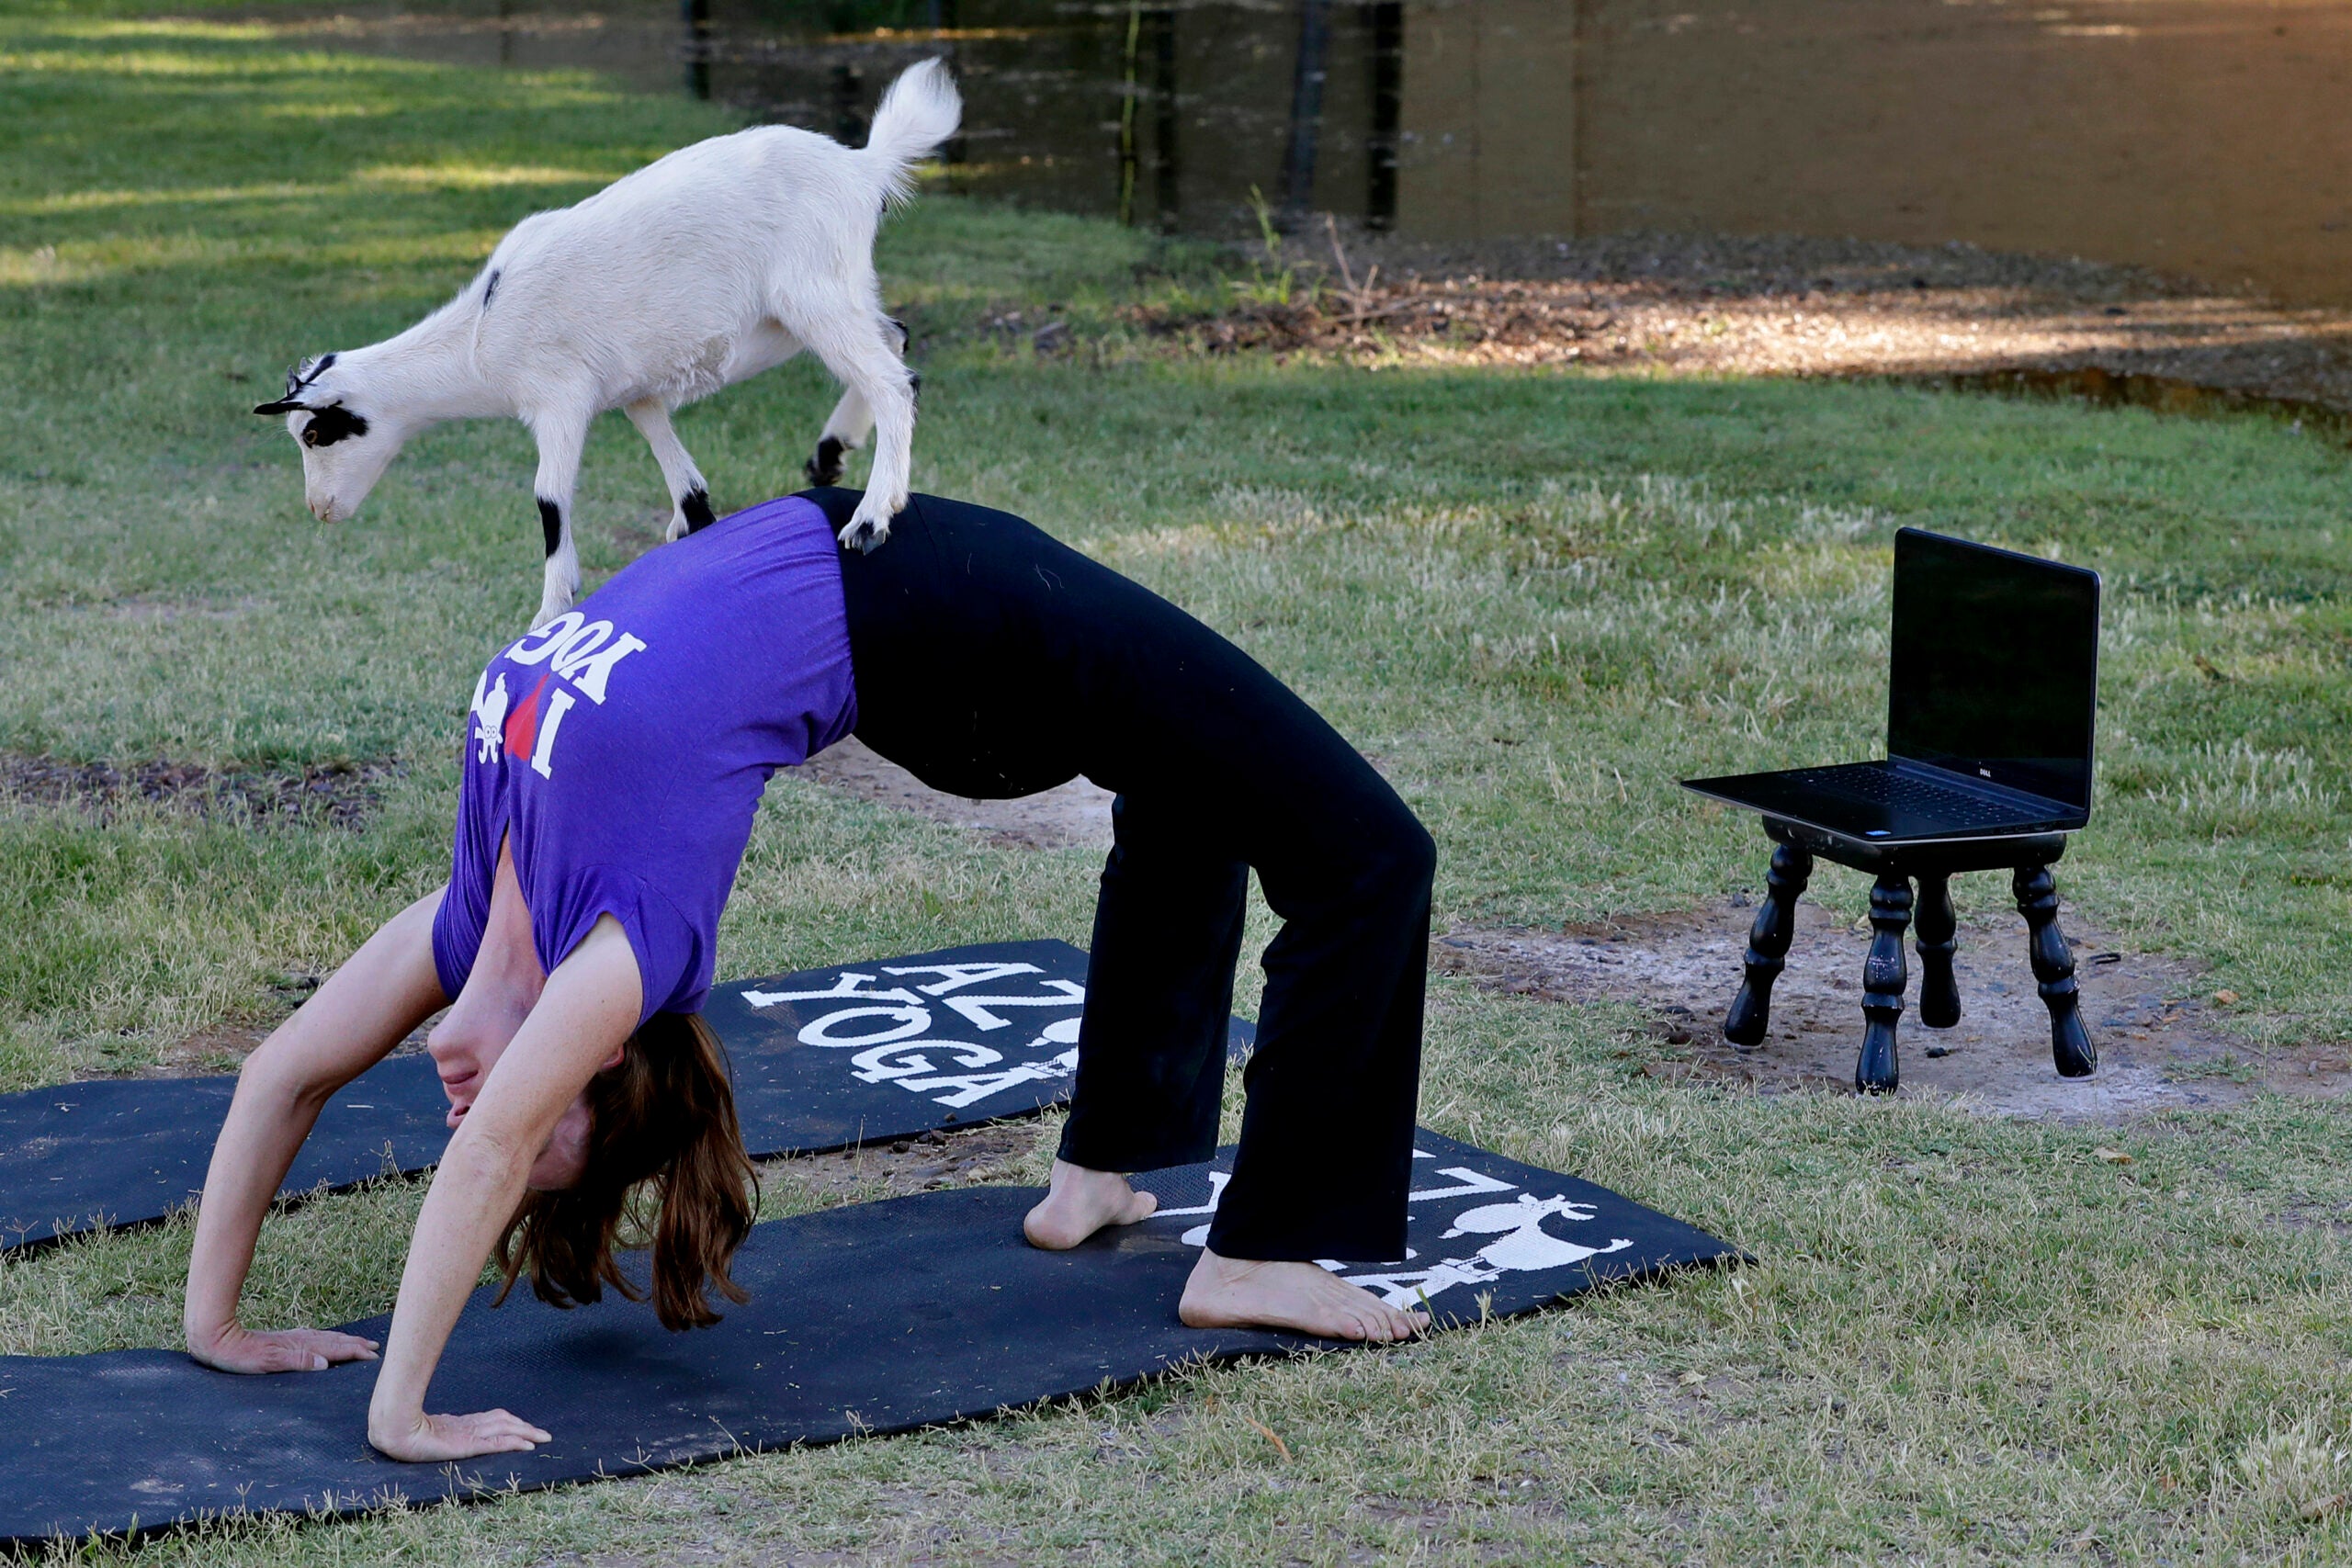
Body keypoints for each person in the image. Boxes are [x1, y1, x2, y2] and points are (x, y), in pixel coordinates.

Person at [181, 489, 1437, 1462]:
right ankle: (1261, 1250)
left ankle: (1101, 1170)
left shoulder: (465, 923)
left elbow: (284, 1075)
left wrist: (217, 1326)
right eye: (544, 1131)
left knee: (1199, 773)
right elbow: (497, 1146)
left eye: (503, 1129)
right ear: (598, 1053)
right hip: (946, 625)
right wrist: (403, 1412)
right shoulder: (629, 948)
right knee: (1373, 852)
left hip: (889, 591)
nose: (467, 1118)